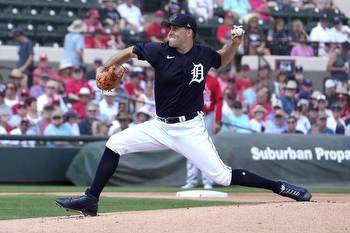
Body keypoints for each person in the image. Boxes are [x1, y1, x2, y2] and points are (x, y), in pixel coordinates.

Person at [56, 14, 311, 216]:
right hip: (160, 126)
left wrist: (234, 43)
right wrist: (107, 66)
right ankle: (91, 200)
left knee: (221, 177)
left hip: (189, 128)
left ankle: (279, 186)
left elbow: (221, 60)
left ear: (188, 31)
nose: (169, 32)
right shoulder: (159, 51)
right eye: (169, 28)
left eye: (175, 29)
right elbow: (129, 51)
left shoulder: (202, 54)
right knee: (114, 144)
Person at [182, 72, 223, 189]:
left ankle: (208, 181)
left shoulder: (213, 80)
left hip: (208, 115)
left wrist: (218, 120)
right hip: (192, 115)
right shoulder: (191, 77)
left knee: (207, 148)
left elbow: (219, 100)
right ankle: (191, 180)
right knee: (189, 146)